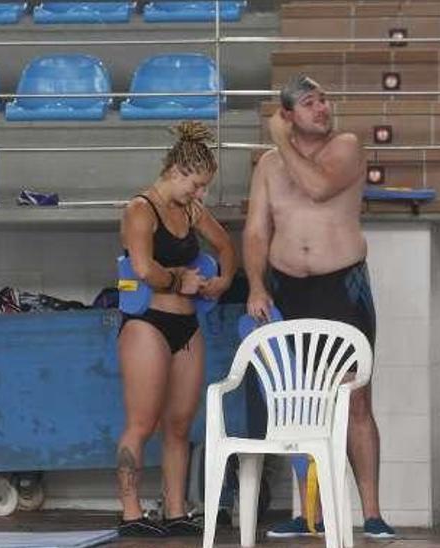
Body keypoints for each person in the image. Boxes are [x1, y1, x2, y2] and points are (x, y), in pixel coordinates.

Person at [243, 75, 396, 540]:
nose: (323, 108)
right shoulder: (269, 167)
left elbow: (318, 188)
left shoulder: (346, 147)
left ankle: (370, 511)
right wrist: (255, 285)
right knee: (299, 404)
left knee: (355, 401)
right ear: (288, 114)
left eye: (325, 100)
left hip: (340, 287)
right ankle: (311, 513)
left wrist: (278, 141)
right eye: (309, 103)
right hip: (287, 288)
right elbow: (255, 231)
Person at [114, 121, 237, 537]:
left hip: (187, 325)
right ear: (177, 172)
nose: (200, 194)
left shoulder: (191, 211)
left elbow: (224, 246)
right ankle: (131, 513)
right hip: (147, 323)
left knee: (181, 423)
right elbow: (143, 267)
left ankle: (175, 509)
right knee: (142, 422)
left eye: (204, 188)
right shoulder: (139, 209)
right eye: (197, 185)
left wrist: (221, 280)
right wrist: (178, 280)